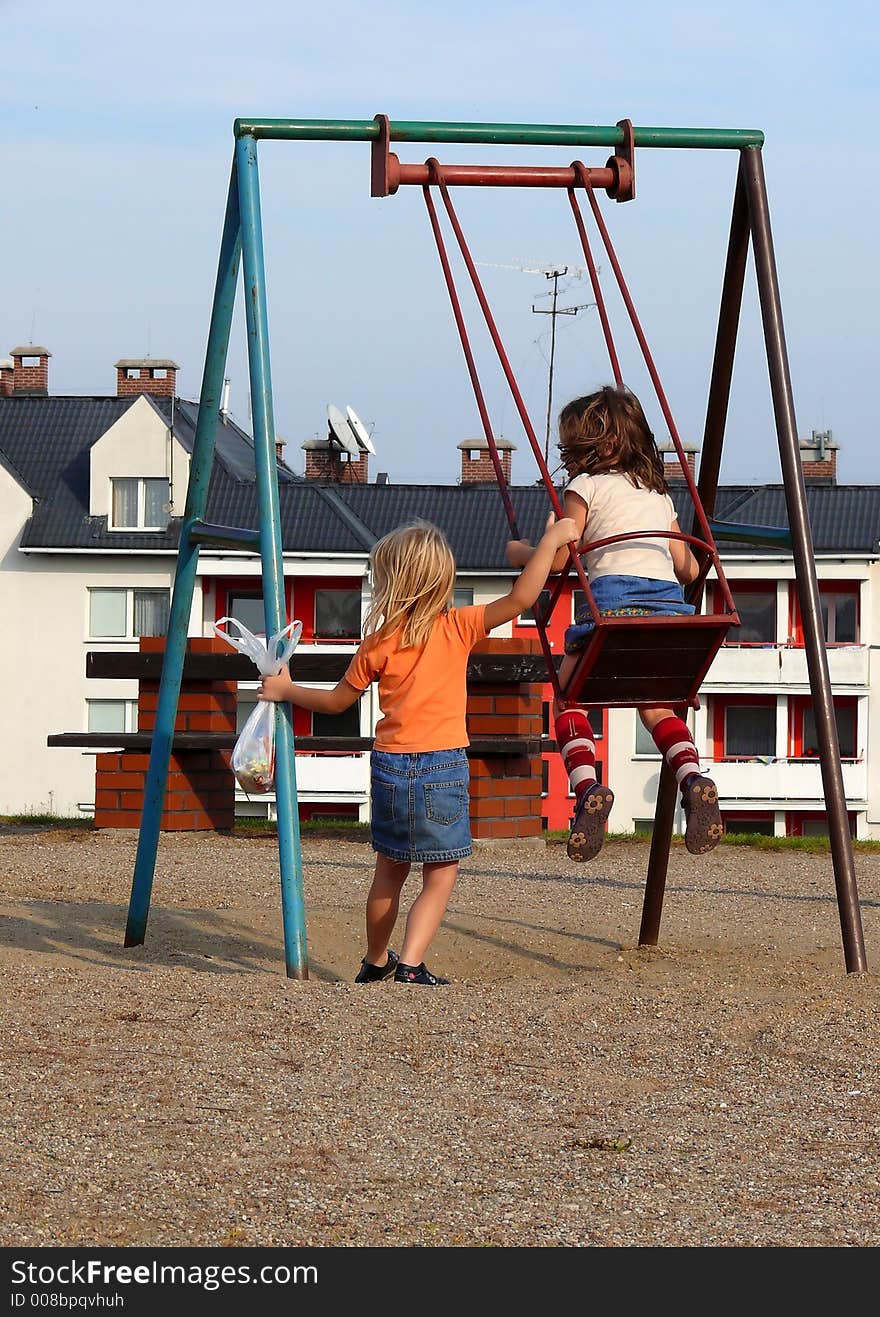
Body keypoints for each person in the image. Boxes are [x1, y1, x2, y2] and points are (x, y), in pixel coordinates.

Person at [259, 514, 578, 986]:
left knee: (389, 870)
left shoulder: (379, 643)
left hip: (389, 764)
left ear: (393, 582)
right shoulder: (458, 626)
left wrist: (286, 690)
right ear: (441, 579)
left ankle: (374, 959)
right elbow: (523, 598)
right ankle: (410, 963)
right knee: (441, 871)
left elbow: (335, 702)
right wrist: (551, 539)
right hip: (443, 764)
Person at [505, 385, 723, 863]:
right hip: (667, 620)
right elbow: (687, 569)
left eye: (570, 445)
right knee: (658, 709)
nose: (566, 454)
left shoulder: (585, 488)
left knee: (566, 700)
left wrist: (523, 550)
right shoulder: (659, 495)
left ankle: (586, 790)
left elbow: (561, 556)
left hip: (611, 618)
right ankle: (693, 778)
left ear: (598, 447)